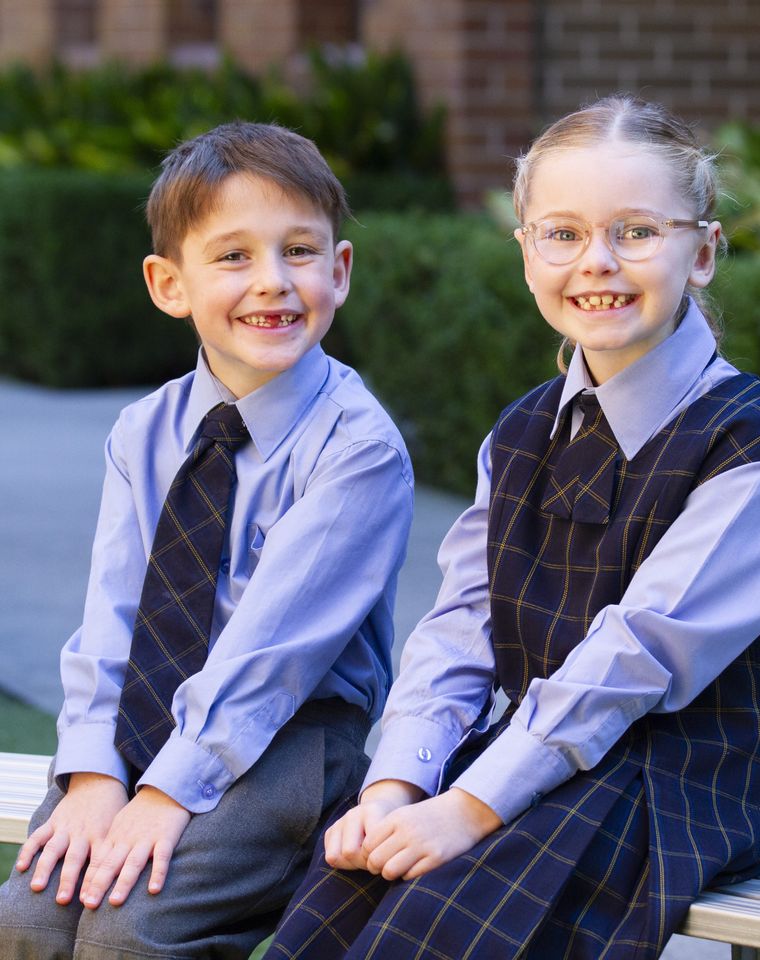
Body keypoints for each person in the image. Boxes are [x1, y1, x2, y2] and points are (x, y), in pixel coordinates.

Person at [263, 96, 760, 960]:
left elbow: (638, 652)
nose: (596, 261)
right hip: (540, 752)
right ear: (527, 251)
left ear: (704, 251)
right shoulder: (521, 432)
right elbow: (460, 627)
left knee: (432, 929)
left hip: (678, 778)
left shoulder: (745, 440)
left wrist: (469, 806)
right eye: (561, 234)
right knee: (340, 901)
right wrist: (398, 781)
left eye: (637, 231)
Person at [0, 121, 413, 959]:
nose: (273, 282)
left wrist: (165, 796)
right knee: (28, 919)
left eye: (300, 252)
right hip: (147, 720)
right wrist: (92, 773)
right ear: (169, 284)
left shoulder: (357, 449)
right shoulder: (143, 432)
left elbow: (270, 660)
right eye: (233, 257)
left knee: (131, 929)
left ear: (339, 271)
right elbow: (112, 617)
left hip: (288, 743)